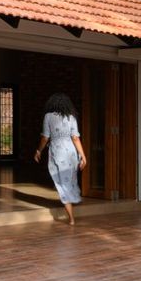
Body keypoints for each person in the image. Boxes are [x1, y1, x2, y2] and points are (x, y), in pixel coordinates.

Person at [34, 92, 87, 225]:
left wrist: (38, 150)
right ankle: (71, 201)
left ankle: (71, 218)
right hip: (71, 153)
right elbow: (75, 138)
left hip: (57, 153)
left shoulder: (48, 117)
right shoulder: (72, 117)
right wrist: (83, 156)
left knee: (62, 184)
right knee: (69, 182)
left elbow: (45, 137)